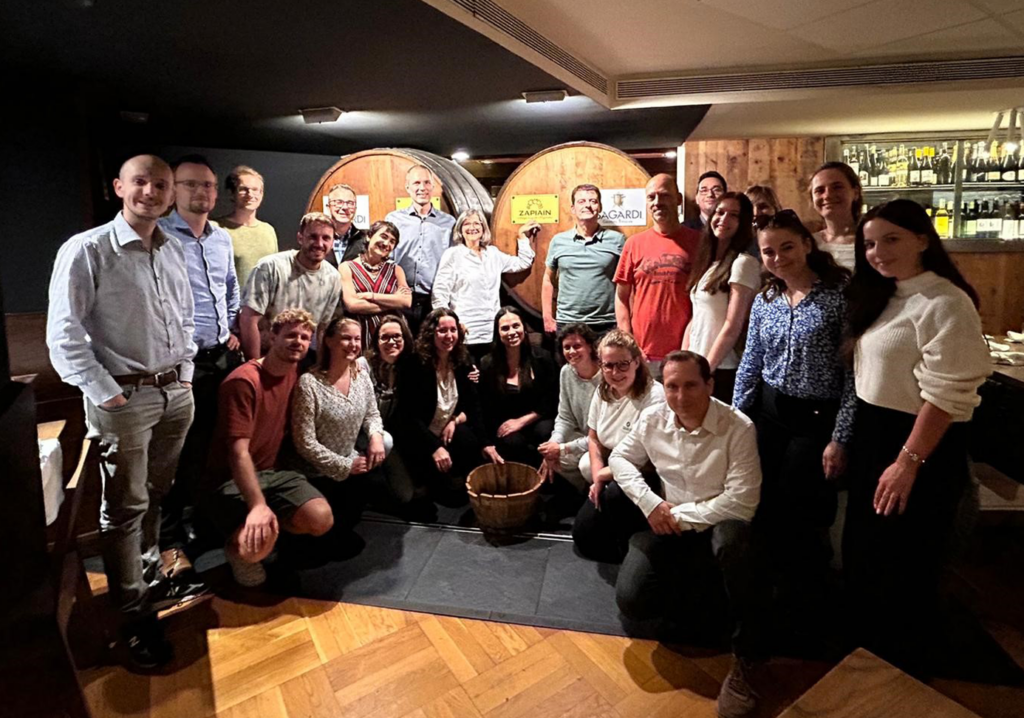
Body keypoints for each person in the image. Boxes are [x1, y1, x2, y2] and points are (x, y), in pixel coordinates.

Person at [46, 154, 196, 669]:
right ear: (118, 187)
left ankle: (149, 575)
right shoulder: (87, 250)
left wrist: (188, 374)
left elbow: (184, 318)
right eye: (141, 182)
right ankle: (132, 615)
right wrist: (107, 393)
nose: (151, 192)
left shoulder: (172, 249)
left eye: (161, 184)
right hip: (125, 399)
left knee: (156, 495)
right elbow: (64, 337)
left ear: (171, 193)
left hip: (175, 393)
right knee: (125, 508)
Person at [842, 200, 990, 674]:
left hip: (915, 444)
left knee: (907, 560)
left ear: (923, 239)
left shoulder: (947, 301)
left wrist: (907, 461)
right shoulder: (888, 295)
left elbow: (948, 394)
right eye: (869, 243)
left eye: (891, 239)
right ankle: (870, 654)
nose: (878, 252)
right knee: (867, 552)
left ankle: (903, 668)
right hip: (874, 435)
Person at [574, 351, 763, 718]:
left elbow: (742, 503)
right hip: (669, 523)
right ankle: (700, 609)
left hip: (716, 526)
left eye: (691, 384)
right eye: (672, 386)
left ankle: (748, 655)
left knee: (734, 540)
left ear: (710, 384)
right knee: (631, 599)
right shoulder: (654, 417)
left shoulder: (738, 427)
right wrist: (649, 503)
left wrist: (675, 514)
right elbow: (620, 460)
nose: (680, 395)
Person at [733, 210, 854, 617]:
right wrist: (735, 419)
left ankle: (807, 600)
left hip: (817, 418)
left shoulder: (839, 296)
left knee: (800, 509)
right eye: (768, 251)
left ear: (806, 243)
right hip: (770, 413)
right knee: (762, 500)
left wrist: (841, 436)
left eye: (786, 246)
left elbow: (854, 373)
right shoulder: (766, 299)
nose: (778, 257)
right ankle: (766, 593)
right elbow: (751, 360)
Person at [155, 154, 242, 608]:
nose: (202, 193)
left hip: (216, 360)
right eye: (192, 185)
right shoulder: (158, 238)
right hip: (176, 368)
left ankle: (194, 525)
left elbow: (230, 287)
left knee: (208, 449)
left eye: (208, 186)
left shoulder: (220, 239)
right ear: (174, 189)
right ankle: (168, 543)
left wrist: (227, 328)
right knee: (175, 455)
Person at [204, 309, 334, 588]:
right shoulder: (244, 381)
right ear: (272, 336)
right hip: (229, 480)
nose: (297, 342)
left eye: (304, 337)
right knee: (256, 547)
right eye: (290, 335)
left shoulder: (295, 372)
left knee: (321, 517)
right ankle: (240, 547)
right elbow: (237, 453)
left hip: (274, 472)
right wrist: (258, 505)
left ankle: (267, 532)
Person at [291, 317, 388, 535]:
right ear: (329, 341)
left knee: (378, 483)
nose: (353, 344)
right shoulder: (309, 384)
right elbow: (304, 442)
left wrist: (375, 437)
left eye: (357, 339)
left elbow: (372, 414)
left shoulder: (360, 376)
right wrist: (344, 466)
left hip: (349, 457)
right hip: (317, 470)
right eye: (346, 338)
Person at [615, 174, 702, 377]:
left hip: (685, 351)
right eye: (651, 197)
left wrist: (688, 347)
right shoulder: (634, 244)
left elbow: (703, 300)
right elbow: (621, 297)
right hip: (643, 353)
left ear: (678, 199)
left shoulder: (699, 242)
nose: (657, 202)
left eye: (664, 195)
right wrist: (629, 342)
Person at [573, 330, 665, 512]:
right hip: (611, 467)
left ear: (636, 362)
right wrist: (598, 476)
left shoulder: (654, 395)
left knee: (612, 501)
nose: (615, 372)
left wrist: (602, 476)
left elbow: (647, 458)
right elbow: (593, 438)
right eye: (608, 365)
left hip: (642, 472)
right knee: (582, 532)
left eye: (623, 365)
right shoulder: (603, 390)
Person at [396, 308, 485, 494]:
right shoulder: (415, 364)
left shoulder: (461, 359)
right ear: (431, 333)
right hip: (420, 435)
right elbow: (408, 415)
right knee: (425, 496)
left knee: (468, 441)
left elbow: (473, 404)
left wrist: (455, 420)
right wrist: (434, 447)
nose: (449, 335)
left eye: (453, 330)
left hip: (446, 430)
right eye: (442, 330)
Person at [682, 193, 760, 402]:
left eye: (733, 215)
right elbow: (696, 317)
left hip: (721, 368)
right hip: (697, 364)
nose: (724, 219)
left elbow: (733, 325)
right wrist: (684, 359)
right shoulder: (708, 263)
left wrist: (705, 370)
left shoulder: (743, 263)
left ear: (743, 223)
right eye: (720, 212)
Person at [432, 209, 536, 359]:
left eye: (477, 223)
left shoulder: (492, 254)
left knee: (492, 374)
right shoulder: (453, 255)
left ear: (483, 228)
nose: (472, 227)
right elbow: (440, 292)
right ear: (460, 229)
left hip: (492, 329)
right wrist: (450, 323)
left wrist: (522, 237)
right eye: (467, 224)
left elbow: (522, 262)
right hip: (466, 328)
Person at [239, 212, 342, 360]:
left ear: (332, 242)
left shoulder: (333, 278)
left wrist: (317, 368)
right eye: (313, 237)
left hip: (301, 360)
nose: (319, 244)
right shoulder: (270, 267)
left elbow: (321, 330)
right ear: (300, 237)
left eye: (326, 238)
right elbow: (248, 320)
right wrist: (255, 367)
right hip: (265, 356)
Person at [479, 307, 558, 467]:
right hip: (505, 422)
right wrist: (486, 442)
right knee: (511, 442)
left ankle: (548, 483)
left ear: (524, 327)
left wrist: (522, 421)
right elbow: (484, 405)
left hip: (537, 417)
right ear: (498, 333)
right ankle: (523, 484)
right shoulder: (487, 363)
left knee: (544, 432)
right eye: (505, 328)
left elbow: (552, 397)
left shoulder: (543, 357)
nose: (512, 332)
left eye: (516, 326)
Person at [542, 184, 626, 335]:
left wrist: (625, 322)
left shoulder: (617, 240)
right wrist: (547, 317)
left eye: (593, 201)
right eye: (581, 201)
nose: (587, 205)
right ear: (573, 208)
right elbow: (548, 279)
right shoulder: (558, 240)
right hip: (568, 322)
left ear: (600, 207)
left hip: (606, 323)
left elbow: (627, 283)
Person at [358, 314, 420, 505]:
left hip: (387, 436)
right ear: (376, 341)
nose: (391, 341)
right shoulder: (362, 366)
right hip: (359, 435)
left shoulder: (407, 367)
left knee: (405, 495)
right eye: (385, 337)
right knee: (385, 442)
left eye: (396, 336)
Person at [385, 165, 456, 331]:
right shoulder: (394, 219)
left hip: (433, 300)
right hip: (400, 298)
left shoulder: (449, 223)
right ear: (407, 187)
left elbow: (454, 264)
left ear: (432, 186)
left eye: (426, 183)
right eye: (416, 183)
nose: (422, 188)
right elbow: (386, 258)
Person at [538, 324, 602, 491]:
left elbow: (604, 434)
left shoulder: (606, 375)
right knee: (550, 454)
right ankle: (582, 492)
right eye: (567, 347)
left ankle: (597, 494)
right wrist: (554, 444)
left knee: (586, 464)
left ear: (590, 347)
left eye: (577, 346)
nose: (571, 351)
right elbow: (565, 417)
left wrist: (561, 449)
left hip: (604, 441)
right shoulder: (566, 372)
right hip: (582, 435)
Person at [339, 220, 412, 350]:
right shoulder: (346, 267)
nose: (386, 243)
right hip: (359, 337)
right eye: (383, 237)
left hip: (391, 339)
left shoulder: (396, 270)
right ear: (369, 236)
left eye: (392, 241)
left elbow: (406, 301)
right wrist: (393, 303)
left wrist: (371, 296)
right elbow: (352, 305)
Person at [215, 165, 278, 286]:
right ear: (232, 193)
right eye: (243, 189)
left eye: (255, 189)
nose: (250, 194)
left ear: (261, 194)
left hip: (264, 304)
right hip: (232, 304)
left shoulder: (268, 230)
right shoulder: (217, 229)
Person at [810, 162, 863, 272]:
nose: (827, 195)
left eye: (837, 187)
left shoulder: (872, 241)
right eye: (819, 190)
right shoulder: (809, 244)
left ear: (855, 193)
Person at [325, 183, 367, 267]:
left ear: (355, 208)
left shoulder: (366, 239)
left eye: (350, 203)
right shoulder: (318, 239)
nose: (345, 207)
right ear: (328, 206)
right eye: (339, 202)